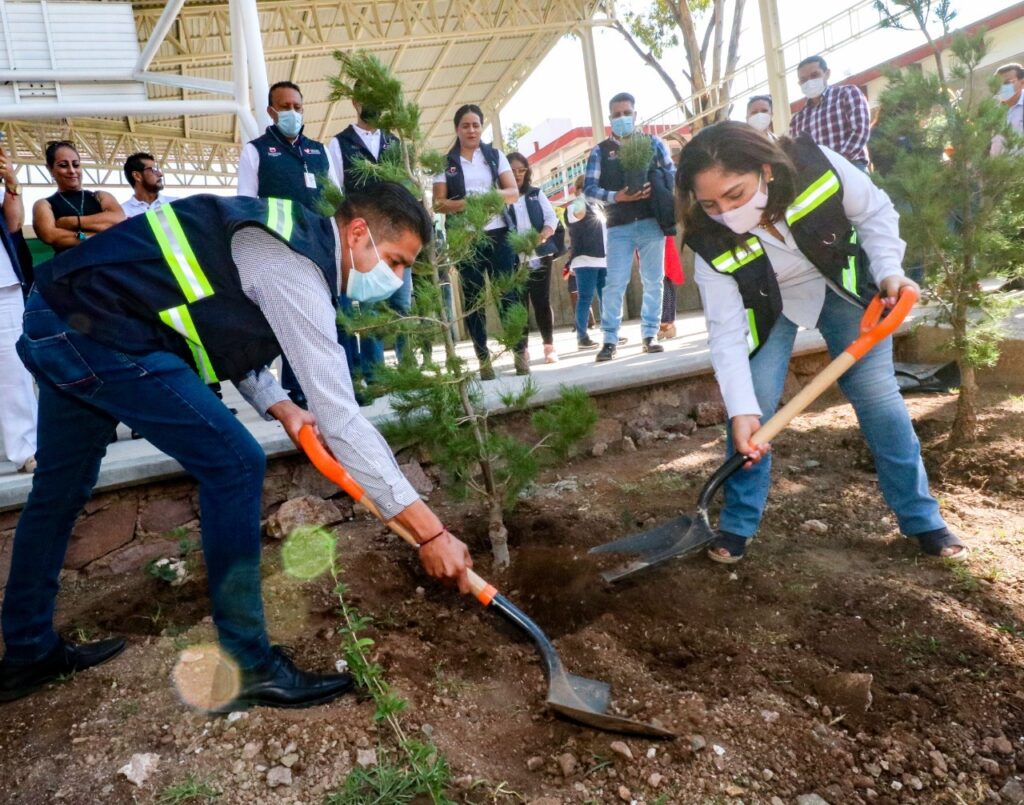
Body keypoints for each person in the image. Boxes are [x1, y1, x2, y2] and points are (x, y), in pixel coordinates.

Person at [0, 182, 474, 708]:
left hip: (65, 314)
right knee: (235, 465)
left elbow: (220, 329)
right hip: (97, 331)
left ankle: (26, 650)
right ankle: (249, 667)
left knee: (57, 492)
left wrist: (282, 405)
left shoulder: (281, 237)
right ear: (357, 233)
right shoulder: (294, 265)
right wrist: (432, 533)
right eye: (396, 261)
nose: (398, 278)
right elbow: (342, 418)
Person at [675, 121, 968, 564]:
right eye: (711, 203)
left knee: (877, 397)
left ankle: (923, 518)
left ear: (766, 171)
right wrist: (741, 410)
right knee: (753, 406)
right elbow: (726, 332)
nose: (727, 212)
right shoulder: (709, 239)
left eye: (735, 194)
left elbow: (875, 211)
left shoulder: (816, 166)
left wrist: (888, 268)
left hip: (842, 287)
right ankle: (737, 523)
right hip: (768, 303)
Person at [432, 104, 522, 380]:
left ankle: (520, 352)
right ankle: (483, 359)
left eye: (476, 125)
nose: (471, 130)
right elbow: (438, 203)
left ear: (481, 128)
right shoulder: (445, 162)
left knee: (508, 294)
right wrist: (465, 204)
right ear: (457, 129)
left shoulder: (495, 157)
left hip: (499, 234)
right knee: (473, 300)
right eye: (466, 125)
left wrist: (488, 199)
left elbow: (513, 192)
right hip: (466, 238)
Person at [329, 89, 411, 388]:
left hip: (396, 236)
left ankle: (408, 372)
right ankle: (375, 377)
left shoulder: (395, 143)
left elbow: (406, 187)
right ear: (355, 102)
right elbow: (336, 193)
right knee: (372, 309)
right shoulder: (339, 144)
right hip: (363, 241)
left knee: (401, 305)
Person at [584, 91, 674, 362]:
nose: (622, 118)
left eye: (627, 113)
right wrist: (616, 197)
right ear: (610, 118)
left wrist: (656, 186)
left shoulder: (652, 143)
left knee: (653, 280)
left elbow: (672, 174)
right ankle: (610, 339)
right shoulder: (600, 151)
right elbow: (589, 189)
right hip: (618, 227)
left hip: (650, 222)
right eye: (617, 114)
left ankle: (650, 334)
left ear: (635, 115)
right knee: (614, 283)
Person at [0, 141, 37, 475]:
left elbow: (12, 224)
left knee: (14, 372)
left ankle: (26, 450)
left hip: (3, 287)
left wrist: (12, 183)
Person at [507, 152, 559, 364]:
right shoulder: (501, 198)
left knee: (541, 302)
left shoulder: (536, 194)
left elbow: (551, 219)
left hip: (538, 256)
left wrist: (543, 234)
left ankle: (549, 347)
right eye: (512, 171)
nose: (517, 174)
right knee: (518, 305)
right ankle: (522, 351)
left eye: (521, 170)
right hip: (513, 259)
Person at [33, 141, 124, 254]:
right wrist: (91, 236)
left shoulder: (101, 196)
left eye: (76, 165)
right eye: (63, 165)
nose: (72, 171)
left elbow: (119, 220)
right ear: (50, 169)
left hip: (109, 264)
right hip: (73, 268)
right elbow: (50, 235)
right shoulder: (44, 205)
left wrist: (73, 222)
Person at [788, 56, 871, 171]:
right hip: (819, 177)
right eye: (804, 80)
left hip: (852, 167)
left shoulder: (847, 94)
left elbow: (860, 131)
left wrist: (837, 162)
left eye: (814, 75)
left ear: (827, 74)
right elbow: (797, 154)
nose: (809, 82)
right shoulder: (797, 120)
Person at [565, 174, 607, 349]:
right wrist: (582, 194)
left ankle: (610, 331)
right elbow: (578, 214)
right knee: (585, 298)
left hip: (602, 259)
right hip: (585, 259)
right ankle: (582, 336)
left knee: (606, 297)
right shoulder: (576, 204)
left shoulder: (597, 206)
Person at [121, 152, 177, 217]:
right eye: (152, 170)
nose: (160, 174)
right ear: (137, 176)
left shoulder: (176, 204)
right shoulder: (122, 213)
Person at [991, 63, 1024, 156]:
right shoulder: (993, 110)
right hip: (999, 168)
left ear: (1022, 83)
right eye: (997, 84)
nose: (1001, 88)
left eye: (1007, 83)